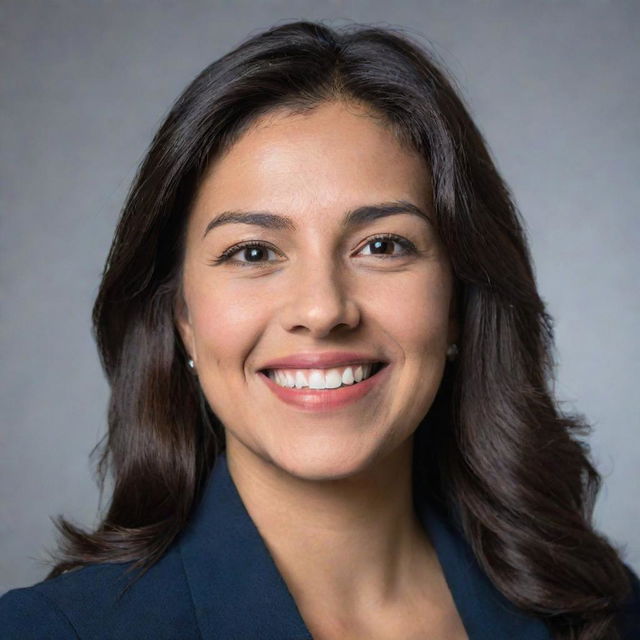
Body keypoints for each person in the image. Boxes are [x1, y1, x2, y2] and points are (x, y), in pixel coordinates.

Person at [1, 19, 638, 640]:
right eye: (253, 253)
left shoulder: (604, 614)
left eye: (382, 245)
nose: (324, 307)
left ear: (458, 303)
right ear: (183, 320)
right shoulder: (54, 630)